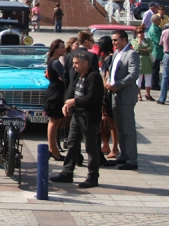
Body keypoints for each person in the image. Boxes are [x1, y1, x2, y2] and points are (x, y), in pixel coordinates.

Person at [50, 50, 105, 189]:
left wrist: (74, 102)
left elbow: (91, 98)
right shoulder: (79, 76)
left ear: (86, 63)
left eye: (76, 63)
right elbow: (72, 91)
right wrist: (67, 104)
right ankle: (67, 172)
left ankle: (93, 177)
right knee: (72, 144)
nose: (74, 66)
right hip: (77, 116)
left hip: (89, 117)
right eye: (73, 63)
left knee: (90, 147)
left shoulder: (94, 77)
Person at [105, 30, 139, 170]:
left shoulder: (131, 54)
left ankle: (132, 159)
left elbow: (134, 74)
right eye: (112, 40)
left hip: (125, 96)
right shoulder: (116, 54)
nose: (113, 42)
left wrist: (117, 85)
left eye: (116, 40)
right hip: (114, 95)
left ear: (124, 40)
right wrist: (108, 81)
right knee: (119, 127)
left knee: (128, 129)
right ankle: (123, 155)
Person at [45, 40, 67, 161]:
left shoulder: (52, 61)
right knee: (54, 121)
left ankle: (53, 148)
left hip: (55, 91)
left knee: (55, 121)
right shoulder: (55, 62)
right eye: (62, 48)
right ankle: (53, 149)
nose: (64, 50)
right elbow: (65, 75)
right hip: (55, 94)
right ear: (56, 49)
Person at [131, 27, 154, 101]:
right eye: (139, 32)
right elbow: (137, 48)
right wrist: (140, 42)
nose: (141, 34)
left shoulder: (148, 40)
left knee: (148, 78)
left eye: (142, 32)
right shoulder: (134, 41)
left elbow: (151, 48)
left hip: (147, 60)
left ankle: (148, 94)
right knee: (139, 78)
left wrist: (144, 49)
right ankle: (138, 94)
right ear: (136, 34)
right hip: (139, 60)